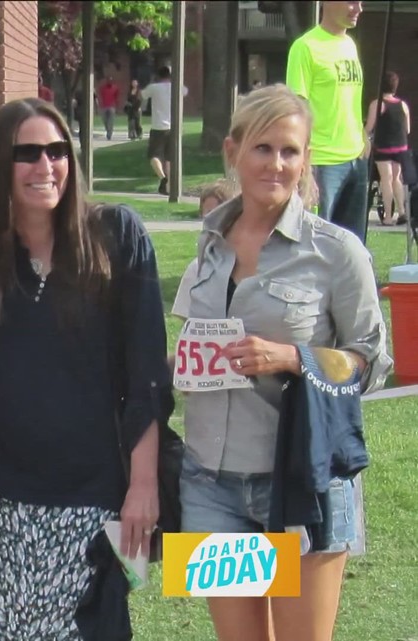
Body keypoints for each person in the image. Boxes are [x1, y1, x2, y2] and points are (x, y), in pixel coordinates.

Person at [0, 97, 171, 639]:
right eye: (28, 153)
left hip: (88, 489)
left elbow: (147, 372)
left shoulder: (116, 237)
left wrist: (144, 485)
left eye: (57, 150)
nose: (46, 165)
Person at [178, 84, 391, 641]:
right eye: (263, 147)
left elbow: (371, 363)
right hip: (210, 485)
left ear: (306, 162)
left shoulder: (337, 251)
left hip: (302, 481)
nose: (277, 163)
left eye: (291, 151)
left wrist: (294, 357)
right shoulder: (206, 246)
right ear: (233, 151)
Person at [287, 1, 369, 243]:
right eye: (352, 2)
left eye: (361, 2)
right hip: (321, 164)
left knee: (353, 248)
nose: (359, 9)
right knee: (318, 245)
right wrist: (304, 165)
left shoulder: (350, 45)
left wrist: (363, 135)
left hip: (356, 160)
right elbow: (297, 110)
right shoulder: (305, 47)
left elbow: (348, 99)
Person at [172, 178, 240, 320]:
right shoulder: (197, 268)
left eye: (222, 212)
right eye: (209, 213)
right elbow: (186, 320)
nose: (215, 220)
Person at [365, 70, 411, 225]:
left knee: (386, 179)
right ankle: (402, 212)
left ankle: (388, 217)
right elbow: (408, 129)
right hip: (401, 146)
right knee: (397, 178)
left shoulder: (377, 104)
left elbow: (369, 127)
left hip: (384, 146)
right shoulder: (403, 105)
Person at [141, 65, 189, 195]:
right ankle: (170, 187)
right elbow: (185, 91)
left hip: (158, 126)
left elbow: (143, 95)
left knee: (154, 156)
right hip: (174, 126)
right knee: (170, 158)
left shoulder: (154, 88)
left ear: (158, 75)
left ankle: (163, 178)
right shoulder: (177, 87)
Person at [98, 75, 121, 141]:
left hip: (112, 106)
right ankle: (108, 130)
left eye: (111, 80)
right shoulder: (102, 88)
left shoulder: (115, 88)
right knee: (105, 120)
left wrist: (117, 106)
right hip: (104, 106)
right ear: (107, 81)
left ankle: (109, 134)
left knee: (110, 121)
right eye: (108, 80)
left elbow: (117, 97)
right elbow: (101, 96)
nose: (109, 82)